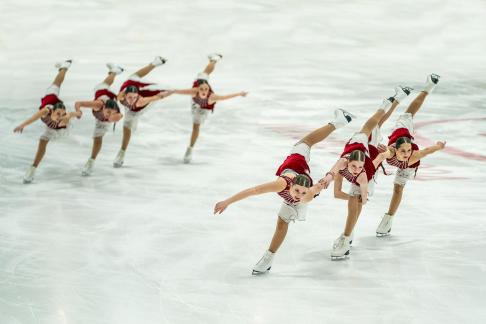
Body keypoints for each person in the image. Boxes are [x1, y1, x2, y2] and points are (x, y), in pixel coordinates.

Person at [214, 109, 354, 274]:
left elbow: (320, 185)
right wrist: (227, 201)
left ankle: (339, 122)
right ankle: (269, 258)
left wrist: (325, 180)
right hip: (297, 160)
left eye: (301, 192)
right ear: (291, 185)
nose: (298, 195)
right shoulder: (282, 184)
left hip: (301, 168)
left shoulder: (307, 195)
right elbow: (255, 190)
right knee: (306, 143)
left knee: (282, 221)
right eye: (296, 191)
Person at [376, 74, 446, 237]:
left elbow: (428, 150)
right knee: (407, 115)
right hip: (401, 131)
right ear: (396, 149)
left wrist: (439, 145)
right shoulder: (392, 151)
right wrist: (384, 152)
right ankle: (428, 87)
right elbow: (387, 153)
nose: (406, 154)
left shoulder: (413, 157)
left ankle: (388, 219)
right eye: (403, 151)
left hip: (409, 165)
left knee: (398, 188)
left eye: (408, 151)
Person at [171, 53, 248, 163]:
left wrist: (240, 93)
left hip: (203, 109)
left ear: (208, 91)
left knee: (196, 126)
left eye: (205, 90)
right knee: (204, 74)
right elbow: (178, 91)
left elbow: (225, 97)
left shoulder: (212, 97)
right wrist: (169, 91)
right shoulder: (194, 91)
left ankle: (190, 148)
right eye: (201, 89)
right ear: (198, 89)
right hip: (195, 103)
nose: (203, 91)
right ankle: (214, 60)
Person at [13, 60, 81, 183]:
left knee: (57, 127)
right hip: (51, 113)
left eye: (61, 114)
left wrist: (74, 113)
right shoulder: (46, 111)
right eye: (57, 114)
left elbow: (78, 114)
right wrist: (22, 125)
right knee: (56, 84)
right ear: (51, 112)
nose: (60, 116)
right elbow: (33, 118)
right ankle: (33, 169)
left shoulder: (65, 117)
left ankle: (64, 67)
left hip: (62, 127)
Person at [113, 56, 173, 167]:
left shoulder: (141, 101)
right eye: (129, 98)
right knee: (134, 77)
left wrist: (169, 92)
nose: (131, 100)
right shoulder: (121, 96)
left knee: (129, 123)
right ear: (124, 95)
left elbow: (159, 96)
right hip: (133, 94)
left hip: (146, 102)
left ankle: (121, 153)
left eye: (134, 98)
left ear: (138, 96)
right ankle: (155, 63)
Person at [74, 63, 124, 176]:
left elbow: (119, 116)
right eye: (107, 112)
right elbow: (79, 103)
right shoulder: (98, 105)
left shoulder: (116, 114)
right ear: (103, 108)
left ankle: (91, 161)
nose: (109, 115)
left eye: (112, 113)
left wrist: (112, 117)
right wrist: (78, 111)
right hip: (102, 91)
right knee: (104, 84)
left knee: (98, 138)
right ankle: (115, 71)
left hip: (112, 99)